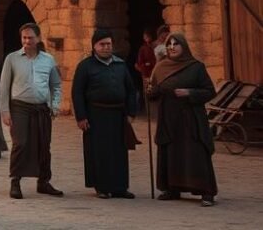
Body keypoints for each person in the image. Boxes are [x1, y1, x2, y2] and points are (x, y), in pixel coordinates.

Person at [147, 33, 217, 206]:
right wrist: (150, 92)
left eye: (176, 44)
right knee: (171, 153)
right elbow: (153, 91)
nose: (172, 47)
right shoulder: (161, 67)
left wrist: (190, 93)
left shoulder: (196, 67)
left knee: (195, 153)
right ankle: (172, 188)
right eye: (169, 44)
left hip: (190, 118)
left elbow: (209, 91)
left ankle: (206, 192)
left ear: (184, 46)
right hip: (169, 118)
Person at [71, 29, 139, 199]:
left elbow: (131, 90)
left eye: (109, 44)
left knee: (118, 151)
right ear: (94, 46)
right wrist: (81, 116)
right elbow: (77, 92)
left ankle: (120, 187)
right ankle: (101, 186)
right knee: (99, 151)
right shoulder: (85, 66)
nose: (106, 47)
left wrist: (131, 113)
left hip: (118, 115)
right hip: (95, 115)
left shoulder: (120, 65)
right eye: (102, 44)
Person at [0, 22, 64, 199]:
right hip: (19, 107)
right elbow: (3, 87)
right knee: (21, 143)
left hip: (42, 109)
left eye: (30, 37)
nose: (27, 41)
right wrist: (5, 111)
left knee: (44, 144)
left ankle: (43, 182)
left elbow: (56, 85)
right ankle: (15, 181)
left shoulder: (48, 60)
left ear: (38, 38)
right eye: (24, 37)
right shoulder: (12, 59)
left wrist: (55, 105)